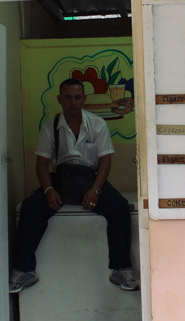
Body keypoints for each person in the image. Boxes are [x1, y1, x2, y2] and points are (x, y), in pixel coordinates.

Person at [10, 77, 138, 293]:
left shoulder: (97, 124)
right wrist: (48, 190)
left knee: (119, 208)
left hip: (91, 178)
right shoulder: (50, 127)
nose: (73, 102)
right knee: (31, 208)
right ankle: (23, 271)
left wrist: (96, 190)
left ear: (84, 99)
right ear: (60, 99)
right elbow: (41, 164)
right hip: (61, 179)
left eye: (77, 97)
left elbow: (105, 161)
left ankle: (121, 269)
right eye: (68, 97)